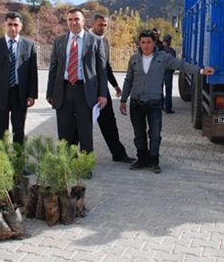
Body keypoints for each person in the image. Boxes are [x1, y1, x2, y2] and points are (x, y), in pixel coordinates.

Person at [120, 30, 215, 174]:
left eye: (149, 42)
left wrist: (200, 71)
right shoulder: (133, 59)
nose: (146, 45)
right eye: (143, 42)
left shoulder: (163, 58)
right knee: (139, 134)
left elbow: (181, 65)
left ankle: (153, 161)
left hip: (154, 103)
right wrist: (123, 100)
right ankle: (141, 159)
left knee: (155, 134)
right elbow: (128, 80)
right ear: (139, 43)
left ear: (154, 43)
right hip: (136, 102)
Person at [46, 8, 107, 157]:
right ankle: (66, 164)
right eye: (70, 20)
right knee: (64, 130)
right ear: (67, 22)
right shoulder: (59, 41)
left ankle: (85, 165)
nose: (73, 22)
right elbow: (53, 68)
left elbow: (102, 70)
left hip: (84, 91)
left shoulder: (95, 41)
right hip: (64, 89)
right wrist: (50, 92)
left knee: (85, 130)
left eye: (76, 19)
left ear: (83, 21)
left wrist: (103, 94)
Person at [0, 12, 38, 145]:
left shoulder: (29, 45)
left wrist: (32, 95)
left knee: (19, 131)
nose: (13, 28)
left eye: (16, 25)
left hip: (20, 94)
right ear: (4, 26)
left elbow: (32, 73)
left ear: (21, 26)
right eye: (9, 24)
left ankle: (18, 162)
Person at [90, 13, 135, 163]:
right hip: (85, 90)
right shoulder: (85, 40)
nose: (103, 28)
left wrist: (115, 85)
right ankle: (74, 157)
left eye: (105, 25)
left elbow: (106, 67)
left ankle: (118, 154)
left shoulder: (104, 43)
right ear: (93, 24)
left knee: (109, 122)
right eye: (100, 25)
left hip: (102, 91)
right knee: (81, 125)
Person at [162, 34, 176, 114]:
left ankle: (160, 106)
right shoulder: (172, 51)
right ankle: (168, 109)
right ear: (169, 41)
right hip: (168, 73)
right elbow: (174, 63)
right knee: (168, 91)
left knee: (159, 90)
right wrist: (172, 71)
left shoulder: (158, 50)